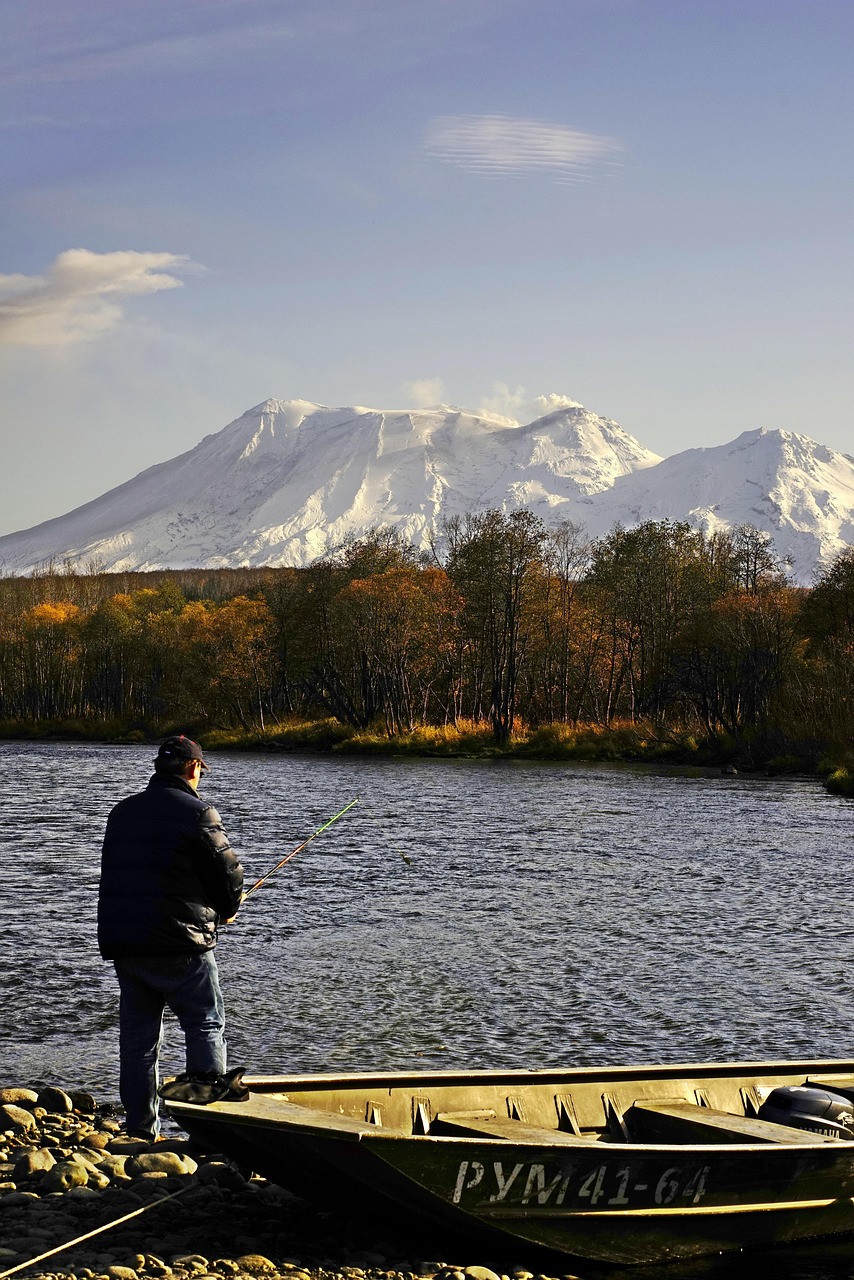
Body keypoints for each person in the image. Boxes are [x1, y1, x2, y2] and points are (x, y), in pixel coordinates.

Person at [97, 735, 245, 1139]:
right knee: (204, 1024)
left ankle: (140, 1129)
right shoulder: (200, 813)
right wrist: (228, 909)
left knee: (138, 1043)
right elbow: (229, 874)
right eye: (200, 771)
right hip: (183, 946)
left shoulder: (121, 812)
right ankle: (208, 1131)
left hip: (128, 946)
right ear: (193, 768)